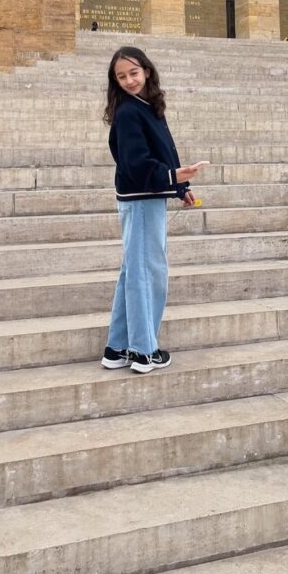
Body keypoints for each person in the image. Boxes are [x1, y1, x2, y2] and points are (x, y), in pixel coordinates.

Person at [101, 46, 207, 374]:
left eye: (133, 72)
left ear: (146, 70)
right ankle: (144, 351)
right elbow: (135, 164)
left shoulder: (147, 106)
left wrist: (180, 188)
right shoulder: (129, 112)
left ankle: (117, 348)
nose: (129, 80)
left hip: (147, 197)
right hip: (140, 199)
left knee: (135, 271)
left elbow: (164, 150)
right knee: (148, 274)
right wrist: (173, 177)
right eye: (121, 76)